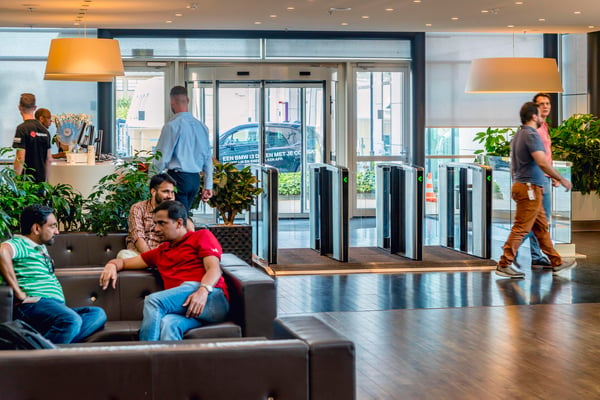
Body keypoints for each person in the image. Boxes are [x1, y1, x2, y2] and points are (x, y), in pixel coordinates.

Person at [99, 200, 229, 341]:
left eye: (162, 223)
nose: (156, 229)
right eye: (155, 223)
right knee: (168, 324)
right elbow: (123, 263)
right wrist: (111, 265)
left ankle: (145, 356)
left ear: (179, 223)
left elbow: (214, 269)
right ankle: (169, 362)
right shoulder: (160, 251)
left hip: (211, 298)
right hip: (188, 307)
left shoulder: (201, 236)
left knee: (154, 302)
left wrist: (202, 291)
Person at [0, 205, 106, 344]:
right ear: (36, 228)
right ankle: (42, 359)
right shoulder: (19, 243)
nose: (57, 231)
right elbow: (2, 252)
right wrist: (18, 292)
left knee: (97, 314)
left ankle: (41, 344)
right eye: (52, 226)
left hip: (53, 308)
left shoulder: (40, 247)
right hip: (34, 305)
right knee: (71, 320)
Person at [496, 102, 577, 279]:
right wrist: (561, 178)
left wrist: (515, 183)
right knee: (521, 228)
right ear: (534, 116)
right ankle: (504, 263)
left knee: (541, 229)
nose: (542, 118)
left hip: (525, 186)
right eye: (540, 115)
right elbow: (541, 162)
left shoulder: (518, 135)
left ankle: (556, 262)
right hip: (530, 189)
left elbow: (513, 164)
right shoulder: (531, 134)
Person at [152, 85, 213, 212]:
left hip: (177, 179)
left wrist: (151, 181)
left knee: (177, 220)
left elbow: (162, 157)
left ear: (172, 102)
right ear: (188, 100)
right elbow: (208, 159)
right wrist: (208, 186)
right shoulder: (202, 127)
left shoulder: (172, 126)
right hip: (195, 180)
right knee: (182, 217)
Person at [118, 173, 194, 259]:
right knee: (123, 255)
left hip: (165, 254)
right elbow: (138, 237)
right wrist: (151, 258)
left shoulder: (173, 210)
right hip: (140, 255)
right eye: (165, 191)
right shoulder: (138, 208)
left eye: (172, 192)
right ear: (153, 192)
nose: (170, 196)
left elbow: (190, 232)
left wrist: (178, 211)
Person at [520, 93, 554, 268]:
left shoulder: (543, 126)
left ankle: (536, 255)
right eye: (542, 104)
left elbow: (547, 154)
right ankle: (513, 248)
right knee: (537, 220)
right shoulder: (535, 130)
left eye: (548, 103)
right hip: (538, 179)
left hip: (545, 178)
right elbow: (538, 158)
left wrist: (553, 175)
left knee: (539, 220)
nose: (546, 106)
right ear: (534, 107)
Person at [12, 93, 52, 183]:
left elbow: (20, 157)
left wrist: (15, 181)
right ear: (34, 108)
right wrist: (45, 183)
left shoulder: (21, 129)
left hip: (26, 184)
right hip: (41, 183)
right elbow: (49, 159)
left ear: (19, 107)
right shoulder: (45, 131)